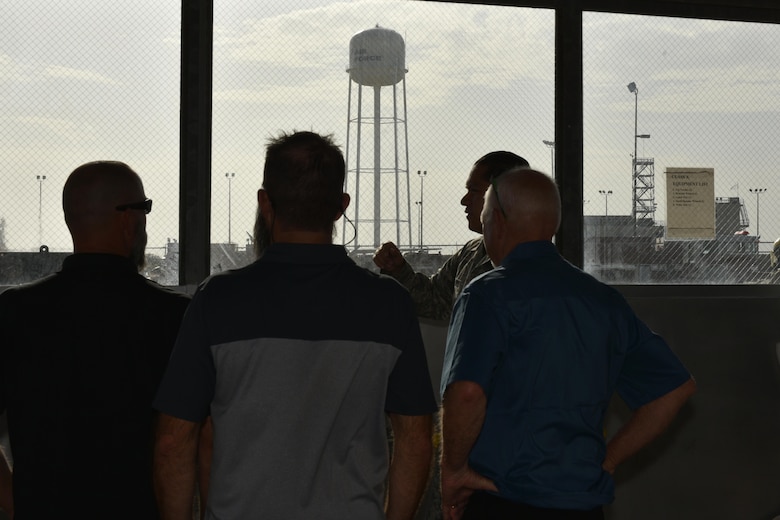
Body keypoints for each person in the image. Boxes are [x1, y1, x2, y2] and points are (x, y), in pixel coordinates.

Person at [153, 131, 437, 520]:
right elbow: (416, 440)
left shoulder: (218, 300)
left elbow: (174, 440)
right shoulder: (389, 304)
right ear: (340, 207)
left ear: (264, 204)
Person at [440, 168, 697, 519]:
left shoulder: (485, 296)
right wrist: (607, 460)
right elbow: (674, 389)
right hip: (582, 504)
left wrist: (453, 472)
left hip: (501, 498)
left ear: (497, 221)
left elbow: (467, 394)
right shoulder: (604, 301)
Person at [0, 161, 190, 519]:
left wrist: (20, 502)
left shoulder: (14, 313)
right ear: (128, 220)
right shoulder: (173, 317)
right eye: (144, 209)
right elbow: (178, 443)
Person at [373, 151, 529, 321]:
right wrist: (398, 270)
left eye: (474, 191)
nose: (464, 200)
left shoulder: (532, 267)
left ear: (503, 197)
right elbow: (435, 300)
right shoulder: (471, 252)